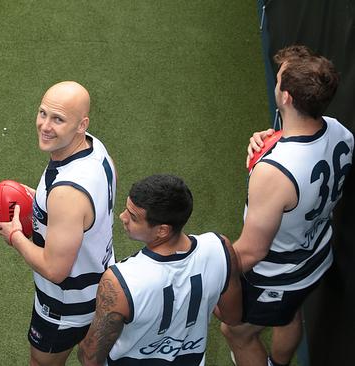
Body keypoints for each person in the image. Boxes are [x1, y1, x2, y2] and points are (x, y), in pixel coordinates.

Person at [221, 45, 354, 366]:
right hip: (318, 254)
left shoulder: (275, 172)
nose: (278, 79)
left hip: (280, 275)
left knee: (236, 332)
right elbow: (305, 148)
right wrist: (272, 141)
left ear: (287, 98)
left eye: (280, 80)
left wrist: (214, 275)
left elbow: (253, 251)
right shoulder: (341, 132)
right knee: (290, 315)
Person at [0, 81, 117, 366]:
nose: (45, 125)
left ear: (81, 124)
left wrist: (15, 236)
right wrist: (41, 203)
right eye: (42, 113)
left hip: (66, 303)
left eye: (58, 119)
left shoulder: (66, 192)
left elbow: (55, 270)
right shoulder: (96, 149)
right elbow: (90, 211)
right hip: (101, 281)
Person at [76, 175, 242, 365]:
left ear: (162, 230)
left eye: (133, 216)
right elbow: (232, 316)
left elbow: (89, 358)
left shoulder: (120, 280)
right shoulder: (221, 248)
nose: (122, 217)